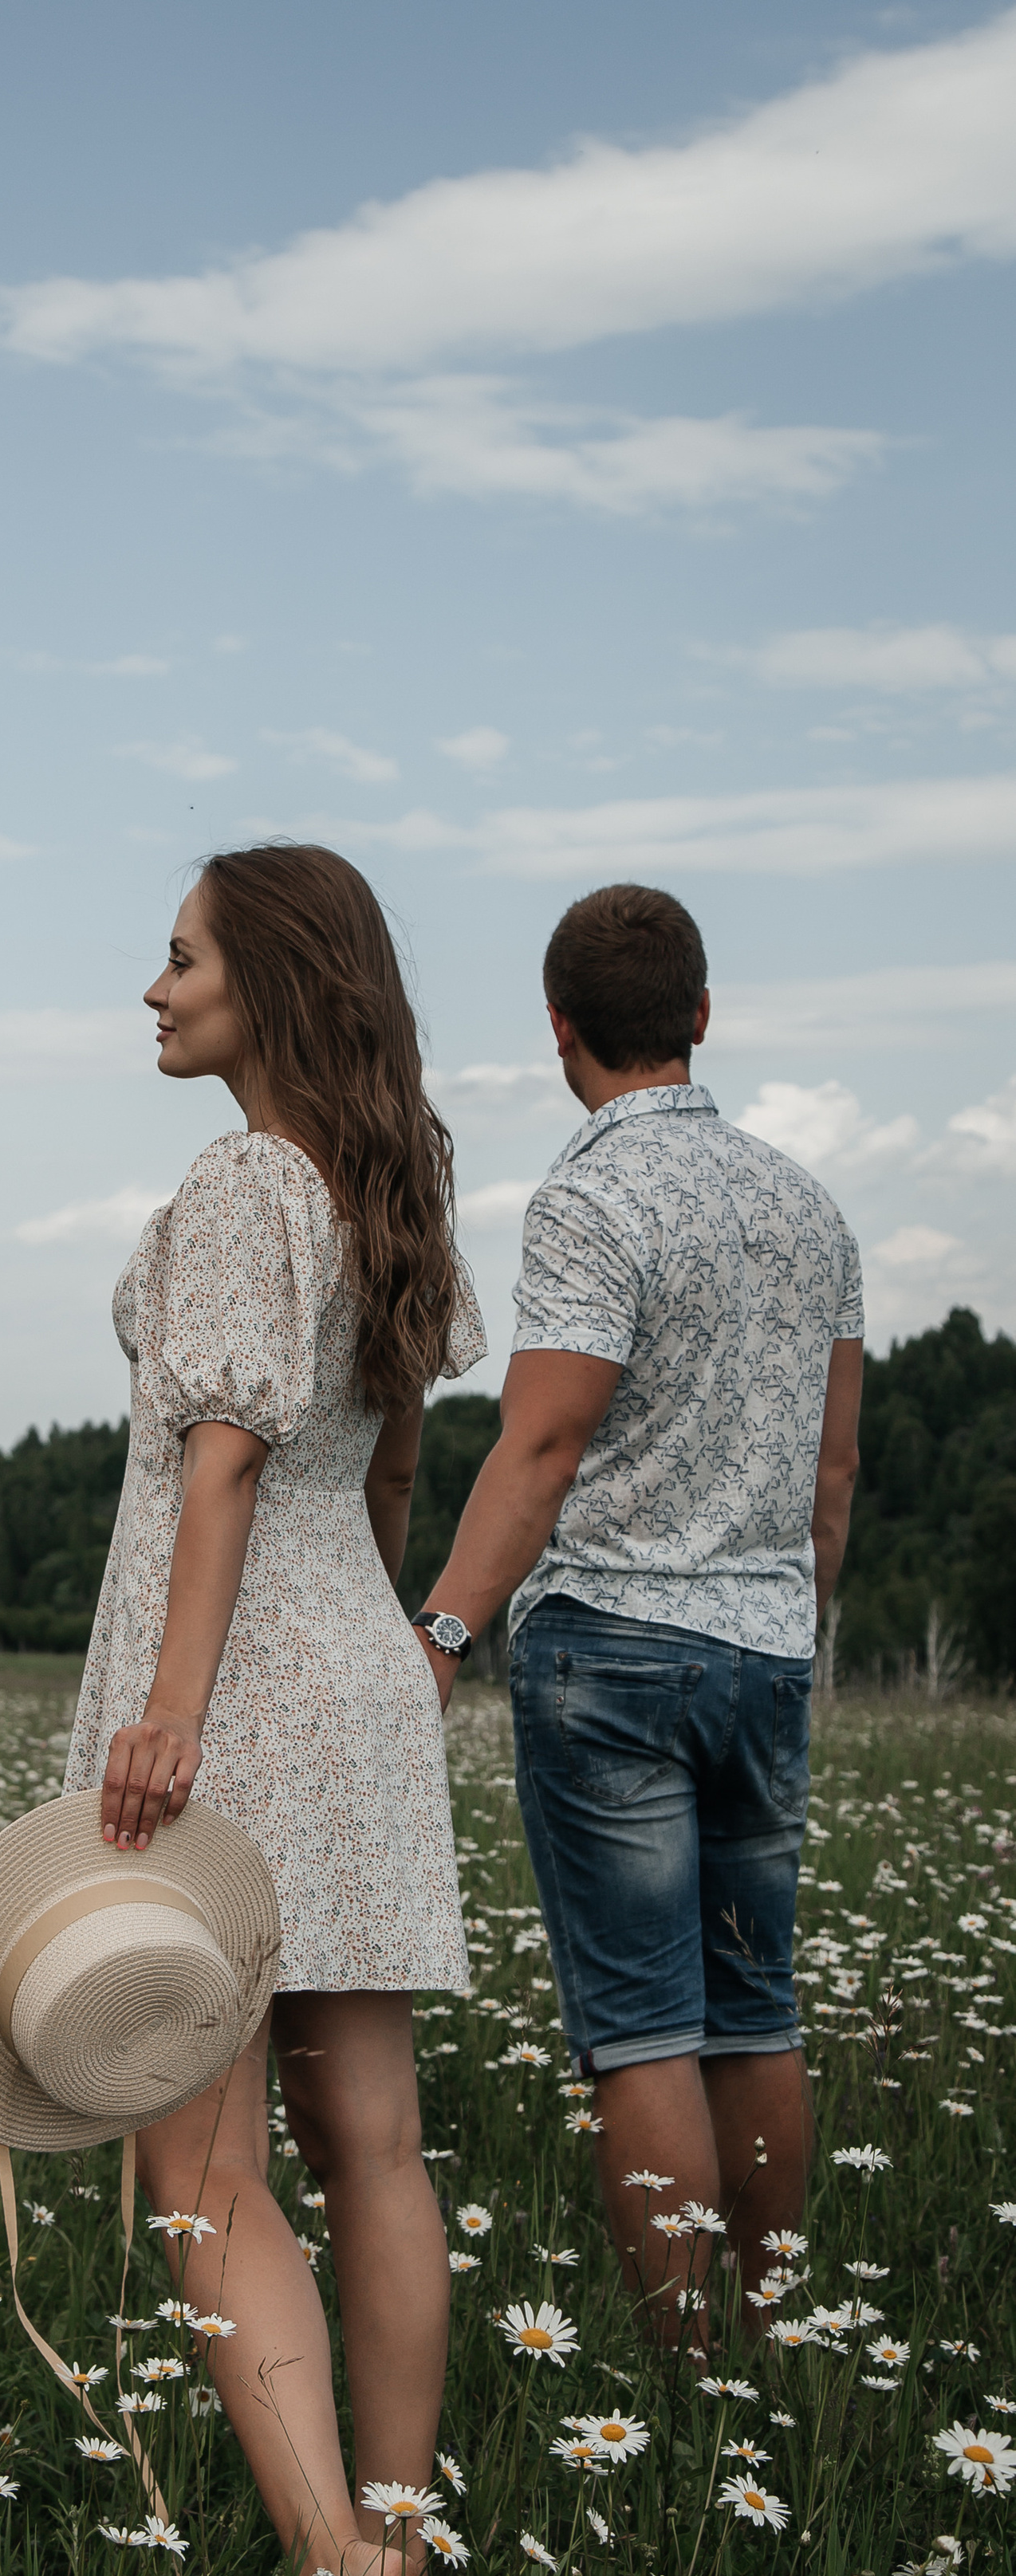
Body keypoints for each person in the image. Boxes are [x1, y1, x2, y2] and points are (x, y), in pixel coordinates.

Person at [65, 840, 484, 2576]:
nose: (150, 993)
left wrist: (166, 1715)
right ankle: (398, 2552)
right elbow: (387, 1465)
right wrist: (387, 1636)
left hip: (228, 1688)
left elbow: (219, 1468)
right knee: (372, 2151)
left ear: (270, 980)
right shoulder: (402, 1169)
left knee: (196, 2171)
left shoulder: (243, 1174)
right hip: (358, 1666)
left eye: (175, 962)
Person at [412, 882, 862, 2354]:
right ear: (702, 1016)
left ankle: (682, 2380)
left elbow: (541, 1447)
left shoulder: (589, 1200)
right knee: (757, 2008)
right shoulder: (809, 1206)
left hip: (607, 1645)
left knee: (643, 2026)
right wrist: (795, 1620)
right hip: (765, 1643)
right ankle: (775, 2336)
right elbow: (833, 1467)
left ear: (560, 1035)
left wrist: (446, 1634)